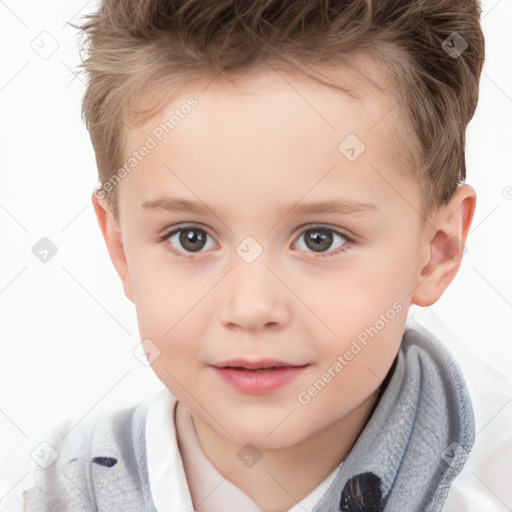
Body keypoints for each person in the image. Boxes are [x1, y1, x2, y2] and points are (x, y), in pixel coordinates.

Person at [6, 0, 512, 511]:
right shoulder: (51, 492)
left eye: (320, 238)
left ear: (437, 252)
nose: (250, 308)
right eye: (191, 238)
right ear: (121, 249)